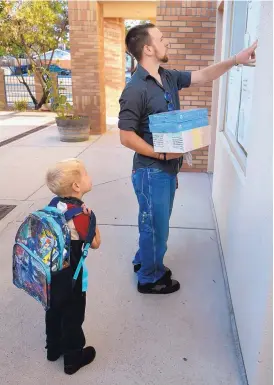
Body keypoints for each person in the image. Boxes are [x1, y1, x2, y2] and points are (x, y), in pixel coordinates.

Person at [118, 23, 257, 295]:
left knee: (157, 222)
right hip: (150, 171)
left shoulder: (167, 77)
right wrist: (160, 154)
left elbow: (203, 75)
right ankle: (149, 277)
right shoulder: (135, 89)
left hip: (168, 169)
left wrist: (234, 60)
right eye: (161, 38)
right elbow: (125, 136)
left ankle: (144, 261)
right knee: (155, 226)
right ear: (148, 48)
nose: (166, 42)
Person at [45, 158, 101, 374]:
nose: (89, 176)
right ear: (77, 186)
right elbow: (95, 244)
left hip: (51, 274)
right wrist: (92, 219)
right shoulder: (80, 215)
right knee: (73, 316)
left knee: (54, 310)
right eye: (85, 174)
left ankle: (53, 349)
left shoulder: (52, 205)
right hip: (73, 277)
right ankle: (73, 358)